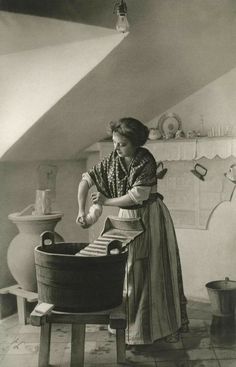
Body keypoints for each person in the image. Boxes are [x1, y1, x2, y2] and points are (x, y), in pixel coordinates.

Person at [76, 117, 189, 345]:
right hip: (128, 218)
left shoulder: (145, 159)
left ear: (136, 143)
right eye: (115, 143)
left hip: (151, 217)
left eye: (122, 144)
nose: (117, 148)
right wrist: (82, 212)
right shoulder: (113, 160)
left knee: (155, 271)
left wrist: (106, 201)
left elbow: (138, 196)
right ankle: (130, 328)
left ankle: (162, 328)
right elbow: (87, 181)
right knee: (130, 272)